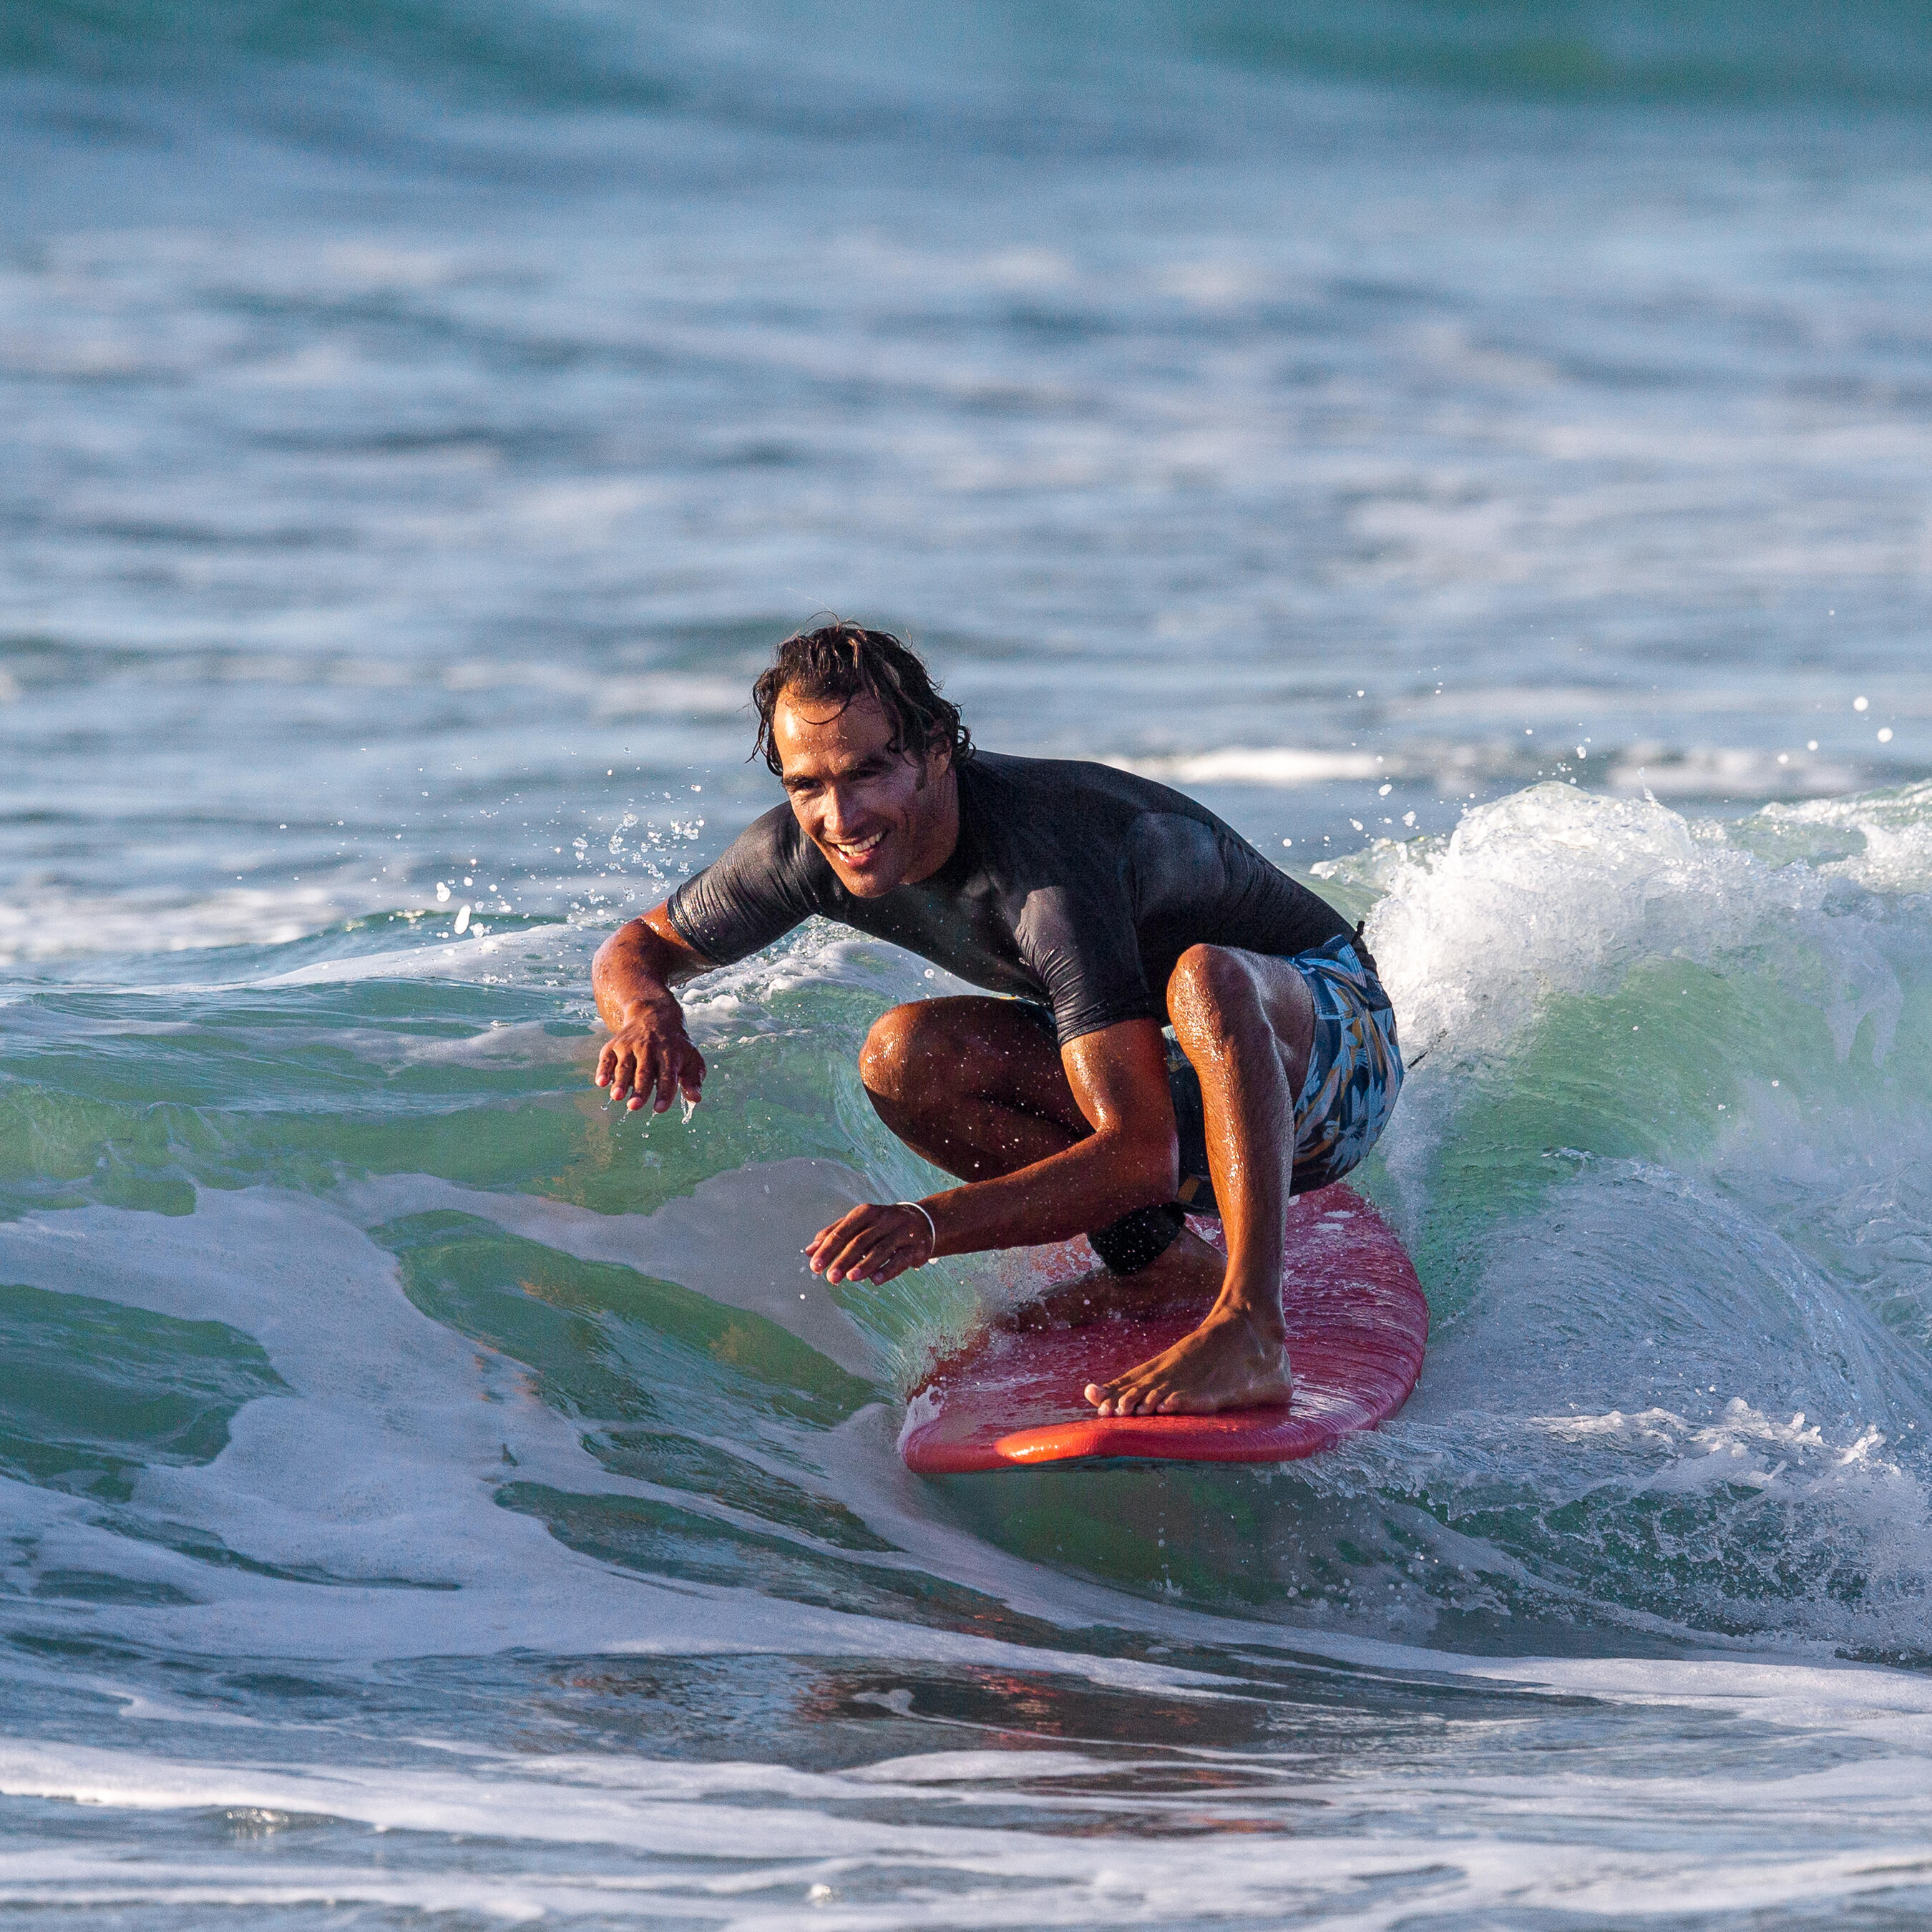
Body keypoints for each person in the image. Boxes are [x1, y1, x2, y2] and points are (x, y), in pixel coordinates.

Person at [590, 625, 1402, 1417]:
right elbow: (639, 945)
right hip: (1171, 1064)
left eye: (869, 773)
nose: (840, 817)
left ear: (939, 746)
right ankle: (1157, 1265)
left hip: (1326, 1062)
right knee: (906, 1055)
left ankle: (1251, 1327)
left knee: (1204, 977)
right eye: (807, 785)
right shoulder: (806, 853)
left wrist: (929, 1225)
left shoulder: (1047, 865)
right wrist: (647, 1013)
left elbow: (1141, 1151)